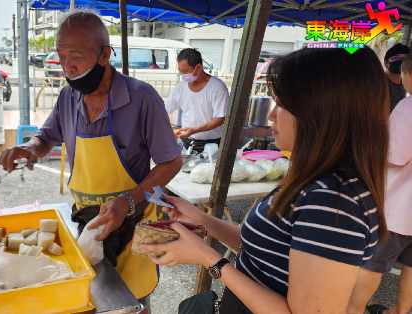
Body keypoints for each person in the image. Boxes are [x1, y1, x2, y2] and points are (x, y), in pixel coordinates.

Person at [140, 47, 389, 313]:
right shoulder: (313, 180)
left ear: (320, 115)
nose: (271, 115)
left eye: (281, 105)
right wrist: (204, 221)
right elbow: (265, 249)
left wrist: (207, 258)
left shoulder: (333, 202)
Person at [0, 11, 182, 305]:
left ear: (104, 55)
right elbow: (46, 137)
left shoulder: (142, 99)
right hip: (89, 222)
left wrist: (128, 201)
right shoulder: (67, 98)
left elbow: (172, 161)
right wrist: (30, 149)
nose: (66, 66)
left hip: (133, 223)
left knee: (130, 302)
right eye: (60, 55)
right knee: (89, 297)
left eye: (76, 56)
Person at [348, 54, 412, 314]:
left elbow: (393, 157)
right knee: (411, 265)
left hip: (399, 209)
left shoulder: (408, 108)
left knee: (372, 264)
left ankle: (353, 309)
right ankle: (401, 310)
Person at [165, 48, 228, 153]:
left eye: (185, 71)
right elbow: (164, 110)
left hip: (212, 144)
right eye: (180, 71)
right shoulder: (180, 88)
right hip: (186, 142)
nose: (183, 75)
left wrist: (195, 130)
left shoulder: (217, 87)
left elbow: (219, 119)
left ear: (198, 68)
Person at [384, 43, 409, 111]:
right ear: (386, 63)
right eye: (396, 58)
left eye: (404, 59)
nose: (401, 62)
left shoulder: (405, 84)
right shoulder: (379, 83)